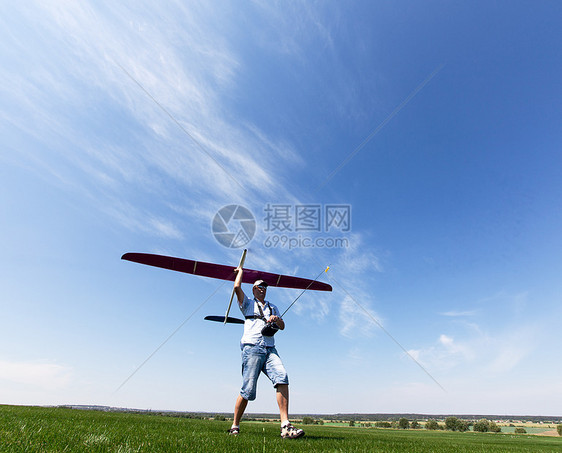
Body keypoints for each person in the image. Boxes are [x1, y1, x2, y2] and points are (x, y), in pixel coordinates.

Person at [228, 266, 304, 439]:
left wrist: (277, 320)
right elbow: (236, 288)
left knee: (282, 377)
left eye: (265, 287)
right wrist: (240, 272)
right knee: (248, 390)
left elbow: (283, 326)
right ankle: (235, 425)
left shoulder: (273, 306)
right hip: (252, 347)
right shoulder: (247, 303)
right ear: (254, 289)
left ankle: (285, 425)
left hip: (270, 348)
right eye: (259, 287)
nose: (263, 289)